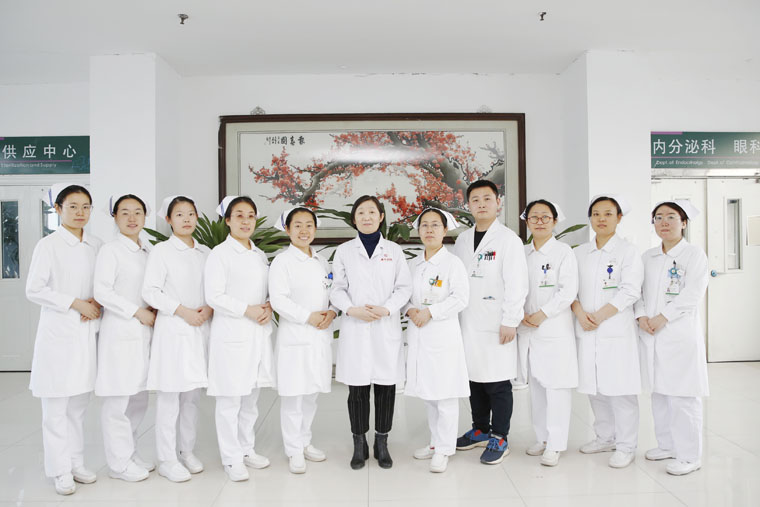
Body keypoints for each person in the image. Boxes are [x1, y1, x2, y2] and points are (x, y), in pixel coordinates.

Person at [26, 183, 102, 495]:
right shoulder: (48, 246)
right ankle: (60, 470)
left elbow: (102, 284)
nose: (80, 212)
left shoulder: (96, 244)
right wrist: (75, 303)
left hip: (86, 332)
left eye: (85, 206)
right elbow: (34, 289)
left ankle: (76, 462)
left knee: (79, 404)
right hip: (58, 334)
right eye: (72, 206)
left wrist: (95, 302)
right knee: (56, 407)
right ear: (58, 209)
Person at [330, 195, 412, 470]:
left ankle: (381, 442)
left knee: (386, 389)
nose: (366, 217)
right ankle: (359, 444)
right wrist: (352, 310)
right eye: (361, 212)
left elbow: (404, 288)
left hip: (384, 326)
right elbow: (337, 289)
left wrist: (386, 309)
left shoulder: (394, 251)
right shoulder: (344, 251)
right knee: (357, 390)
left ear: (381, 217)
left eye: (372, 212)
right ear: (354, 219)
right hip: (355, 326)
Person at [454, 180, 528, 465]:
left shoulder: (508, 240)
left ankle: (500, 436)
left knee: (497, 382)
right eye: (475, 199)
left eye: (487, 198)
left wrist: (511, 319)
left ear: (498, 203)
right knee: (474, 379)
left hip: (497, 321)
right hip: (468, 320)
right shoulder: (462, 240)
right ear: (468, 205)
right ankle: (480, 429)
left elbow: (517, 283)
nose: (481, 204)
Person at [635, 200, 709, 476]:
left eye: (671, 217)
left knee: (683, 396)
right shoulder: (648, 257)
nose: (664, 222)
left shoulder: (694, 255)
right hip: (651, 334)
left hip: (679, 335)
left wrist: (662, 317)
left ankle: (690, 455)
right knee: (659, 393)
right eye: (658, 217)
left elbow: (692, 294)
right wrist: (641, 316)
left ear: (684, 222)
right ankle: (667, 445)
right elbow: (637, 292)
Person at [204, 196, 275, 482]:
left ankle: (246, 449)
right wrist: (247, 310)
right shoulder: (219, 254)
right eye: (239, 216)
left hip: (256, 334)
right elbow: (214, 296)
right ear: (228, 221)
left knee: (250, 398)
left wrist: (268, 306)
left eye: (250, 216)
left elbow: (265, 291)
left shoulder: (258, 254)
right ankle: (231, 458)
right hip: (231, 334)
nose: (246, 221)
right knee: (230, 399)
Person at [142, 195, 212, 482]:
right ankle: (167, 459)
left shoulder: (206, 252)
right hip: (174, 329)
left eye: (191, 213)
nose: (186, 219)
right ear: (168, 219)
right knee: (170, 397)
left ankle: (187, 451)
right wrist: (183, 311)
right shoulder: (161, 251)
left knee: (192, 397)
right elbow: (150, 292)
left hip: (200, 328)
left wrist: (208, 309)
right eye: (179, 214)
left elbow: (214, 289)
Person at [572, 194, 643, 468]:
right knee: (596, 388)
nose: (601, 219)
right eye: (596, 214)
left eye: (608, 214)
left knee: (620, 389)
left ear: (619, 218)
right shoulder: (580, 253)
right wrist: (581, 314)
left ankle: (626, 445)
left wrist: (599, 316)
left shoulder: (628, 251)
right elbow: (570, 289)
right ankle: (605, 437)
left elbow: (630, 291)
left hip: (615, 329)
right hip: (586, 328)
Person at [269, 207, 336, 474]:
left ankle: (305, 441)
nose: (304, 230)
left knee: (311, 394)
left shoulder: (322, 261)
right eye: (297, 225)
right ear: (287, 229)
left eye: (309, 225)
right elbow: (279, 300)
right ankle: (294, 449)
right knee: (293, 395)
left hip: (319, 335)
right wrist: (308, 317)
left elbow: (333, 293)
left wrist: (332, 312)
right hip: (295, 336)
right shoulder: (282, 262)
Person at [94, 193, 155, 482]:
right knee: (118, 400)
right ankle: (118, 464)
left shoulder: (148, 250)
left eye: (137, 212)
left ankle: (129, 452)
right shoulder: (111, 251)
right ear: (115, 217)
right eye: (125, 212)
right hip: (120, 332)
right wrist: (137, 312)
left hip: (144, 332)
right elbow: (102, 292)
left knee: (138, 398)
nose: (132, 218)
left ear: (145, 216)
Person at [404, 208, 469, 473]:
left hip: (442, 335)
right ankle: (434, 443)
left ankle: (444, 449)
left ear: (445, 230)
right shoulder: (413, 265)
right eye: (425, 225)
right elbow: (404, 296)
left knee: (445, 394)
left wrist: (430, 312)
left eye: (435, 225)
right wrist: (411, 310)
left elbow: (460, 298)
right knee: (429, 393)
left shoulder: (453, 264)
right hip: (419, 334)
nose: (429, 230)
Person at [517, 200, 578, 467]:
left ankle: (556, 443)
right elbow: (514, 287)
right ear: (527, 221)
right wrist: (519, 313)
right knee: (537, 387)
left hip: (553, 328)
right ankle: (542, 438)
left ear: (554, 221)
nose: (539, 221)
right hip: (527, 328)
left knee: (556, 388)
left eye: (545, 217)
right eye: (534, 217)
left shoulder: (563, 252)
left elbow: (568, 291)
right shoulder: (522, 252)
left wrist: (542, 314)